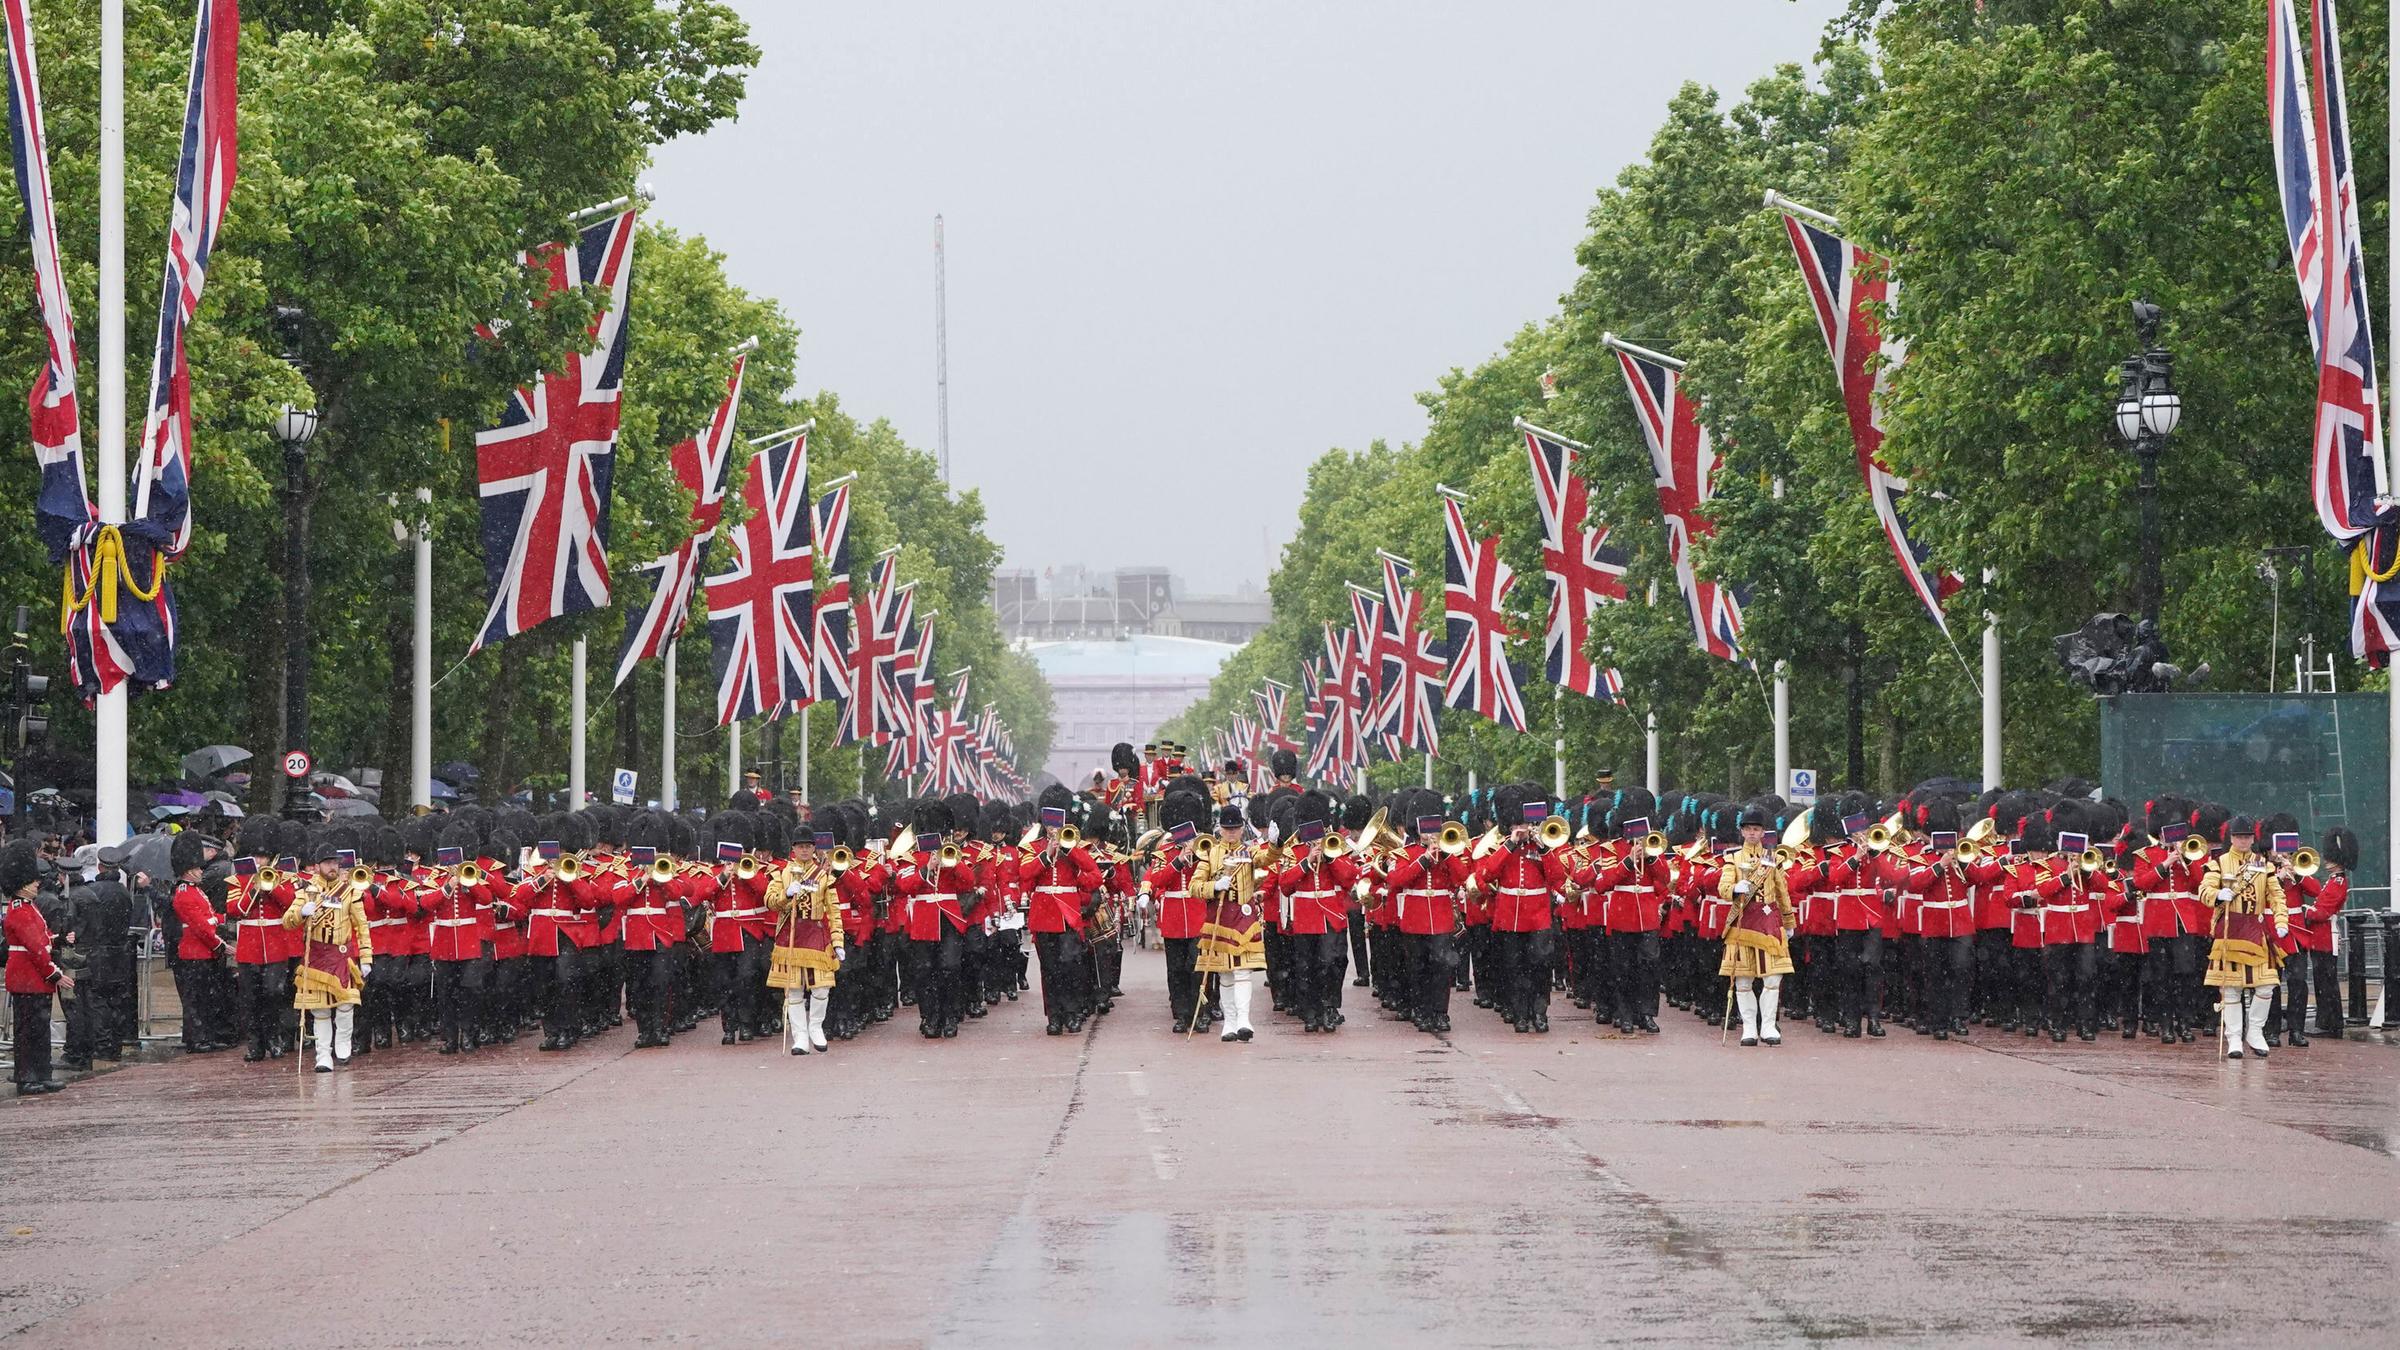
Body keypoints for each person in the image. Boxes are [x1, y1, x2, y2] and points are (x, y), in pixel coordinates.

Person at [282, 836, 375, 1073]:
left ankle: (342, 1045)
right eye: (327, 863)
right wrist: (302, 912)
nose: (333, 867)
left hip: (341, 955)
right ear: (317, 866)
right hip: (316, 956)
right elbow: (288, 922)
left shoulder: (349, 891)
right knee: (320, 1010)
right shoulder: (306, 891)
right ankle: (323, 1055)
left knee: (346, 1006)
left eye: (335, 863)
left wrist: (366, 957)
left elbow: (361, 925)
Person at [2200, 816, 2288, 1061]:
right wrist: (2218, 894)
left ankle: (2256, 1032)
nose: (2243, 840)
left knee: (2267, 984)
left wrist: (2281, 920)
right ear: (2231, 838)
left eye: (2248, 836)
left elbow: (2277, 895)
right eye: (2239, 836)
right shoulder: (2219, 863)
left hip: (2255, 929)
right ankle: (2234, 1037)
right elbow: (2204, 891)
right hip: (2230, 929)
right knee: (2231, 990)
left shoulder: (2263, 864)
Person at [1716, 802, 1793, 1046]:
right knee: (1743, 980)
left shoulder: (1772, 858)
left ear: (1763, 833)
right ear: (1742, 832)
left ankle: (1768, 1026)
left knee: (1772, 979)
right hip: (1743, 921)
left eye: (1756, 829)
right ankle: (1749, 1027)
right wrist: (1734, 889)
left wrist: (1789, 921)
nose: (1751, 833)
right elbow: (1723, 888)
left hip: (1769, 921)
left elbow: (1782, 891)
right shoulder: (1733, 858)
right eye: (1748, 829)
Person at [1194, 803, 1268, 1042]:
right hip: (1219, 916)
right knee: (1225, 974)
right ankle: (1230, 1022)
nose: (1232, 832)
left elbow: (1267, 858)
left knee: (1243, 970)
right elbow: (1194, 887)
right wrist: (1214, 886)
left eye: (1236, 828)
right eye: (1228, 829)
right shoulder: (1209, 854)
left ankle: (1245, 1019)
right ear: (1220, 829)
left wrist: (1276, 844)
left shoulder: (1249, 851)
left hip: (1244, 916)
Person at [766, 832, 844, 1055]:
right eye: (800, 847)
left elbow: (834, 911)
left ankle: (816, 1026)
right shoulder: (782, 873)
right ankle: (799, 1036)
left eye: (808, 846)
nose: (804, 850)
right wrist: (786, 894)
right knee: (793, 991)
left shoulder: (824, 876)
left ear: (813, 848)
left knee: (821, 987)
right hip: (790, 934)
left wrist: (838, 941)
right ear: (793, 848)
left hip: (815, 934)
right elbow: (770, 902)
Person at [4, 842, 71, 1094]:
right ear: (21, 883)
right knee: (28, 1031)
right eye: (32, 881)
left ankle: (41, 1073)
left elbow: (41, 940)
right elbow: (36, 949)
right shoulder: (21, 909)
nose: (36, 884)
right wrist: (55, 974)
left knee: (38, 1030)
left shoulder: (28, 906)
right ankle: (27, 1075)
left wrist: (58, 939)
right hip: (27, 977)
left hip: (33, 977)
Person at [2284, 825, 2356, 1042]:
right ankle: (2326, 1022)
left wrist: (2306, 911)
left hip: (2325, 937)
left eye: (2331, 857)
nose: (2326, 861)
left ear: (2338, 859)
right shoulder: (2333, 880)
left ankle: (2331, 1024)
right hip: (2319, 938)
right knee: (2322, 982)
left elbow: (2324, 911)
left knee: (2328, 983)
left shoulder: (2339, 882)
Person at [167, 832, 231, 1054]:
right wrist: (220, 945)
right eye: (197, 869)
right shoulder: (184, 894)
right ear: (188, 871)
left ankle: (207, 1035)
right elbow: (201, 927)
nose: (201, 871)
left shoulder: (196, 891)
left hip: (204, 952)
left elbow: (212, 917)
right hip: (195, 953)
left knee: (206, 997)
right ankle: (198, 1038)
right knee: (195, 1000)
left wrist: (229, 920)